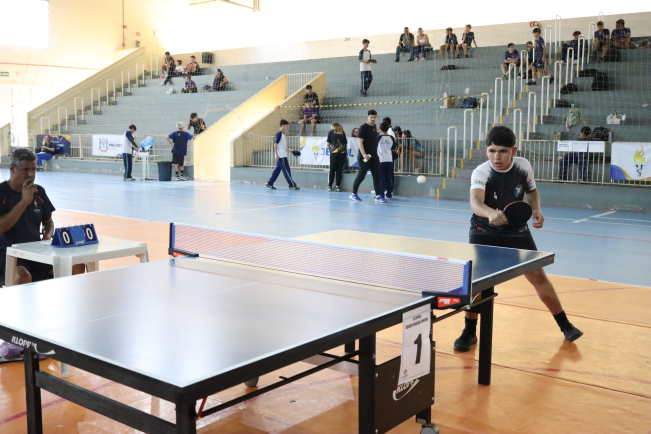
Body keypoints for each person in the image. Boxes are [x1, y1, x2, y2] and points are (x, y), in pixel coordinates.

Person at [453, 126, 583, 353]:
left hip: (516, 229)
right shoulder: (481, 172)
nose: (496, 157)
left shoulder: (523, 166)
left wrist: (537, 209)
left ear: (513, 151)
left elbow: (532, 192)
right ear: (486, 150)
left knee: (538, 276)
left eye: (503, 151)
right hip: (484, 229)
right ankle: (469, 331)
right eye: (492, 151)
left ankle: (565, 325)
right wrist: (490, 213)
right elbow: (475, 201)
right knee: (479, 282)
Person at [0, 149, 86, 361]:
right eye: (25, 170)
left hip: (36, 253)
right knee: (22, 276)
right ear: (12, 169)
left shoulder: (40, 192)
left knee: (77, 265)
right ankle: (15, 338)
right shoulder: (2, 193)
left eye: (34, 170)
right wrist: (23, 202)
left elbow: (48, 222)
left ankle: (60, 324)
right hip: (6, 255)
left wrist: (47, 235)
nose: (31, 175)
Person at [350, 110, 384, 203]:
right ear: (367, 117)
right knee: (361, 175)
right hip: (364, 156)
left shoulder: (374, 126)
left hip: (374, 155)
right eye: (371, 117)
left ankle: (378, 195)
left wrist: (380, 130)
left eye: (374, 117)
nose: (373, 119)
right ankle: (353, 194)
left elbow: (379, 132)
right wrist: (364, 154)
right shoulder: (363, 127)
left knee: (377, 175)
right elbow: (360, 142)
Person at [266, 120, 299, 190]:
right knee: (286, 171)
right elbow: (275, 144)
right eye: (287, 125)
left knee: (277, 171)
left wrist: (291, 150)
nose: (288, 127)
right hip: (281, 156)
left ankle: (270, 183)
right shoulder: (279, 133)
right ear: (283, 125)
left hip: (282, 155)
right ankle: (292, 185)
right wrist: (276, 154)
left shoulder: (282, 134)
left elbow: (282, 146)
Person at [377, 122, 397, 199]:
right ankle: (389, 194)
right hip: (389, 159)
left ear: (380, 129)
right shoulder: (391, 138)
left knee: (382, 177)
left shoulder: (378, 137)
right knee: (388, 177)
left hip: (381, 159)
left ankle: (381, 194)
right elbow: (393, 148)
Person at [327, 122, 347, 192]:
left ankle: (330, 185)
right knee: (339, 170)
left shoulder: (331, 132)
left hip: (334, 152)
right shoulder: (342, 132)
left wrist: (330, 150)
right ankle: (337, 186)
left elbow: (328, 143)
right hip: (342, 153)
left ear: (333, 126)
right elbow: (345, 144)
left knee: (332, 169)